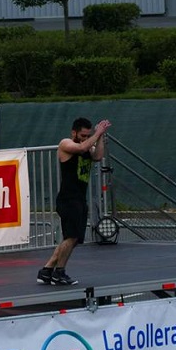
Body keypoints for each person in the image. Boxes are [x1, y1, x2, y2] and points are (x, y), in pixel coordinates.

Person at [36, 117, 111, 286]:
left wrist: (100, 137)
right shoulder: (66, 144)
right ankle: (59, 273)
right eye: (82, 135)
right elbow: (83, 146)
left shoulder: (87, 146)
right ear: (74, 133)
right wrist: (97, 133)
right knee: (70, 237)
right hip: (68, 199)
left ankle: (47, 270)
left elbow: (98, 156)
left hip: (79, 198)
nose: (85, 139)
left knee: (74, 239)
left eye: (87, 135)